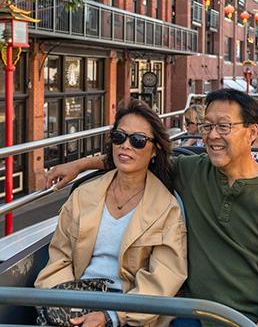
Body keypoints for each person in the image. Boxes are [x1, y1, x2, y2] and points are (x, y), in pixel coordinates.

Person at [46, 89, 258, 327]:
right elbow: (134, 155)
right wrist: (79, 166)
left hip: (251, 318)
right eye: (207, 126)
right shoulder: (191, 171)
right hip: (195, 313)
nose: (212, 135)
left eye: (224, 126)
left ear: (252, 131)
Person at [36, 99, 187, 327]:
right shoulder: (83, 196)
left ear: (155, 150)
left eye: (138, 141)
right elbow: (59, 258)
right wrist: (66, 305)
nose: (126, 146)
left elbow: (163, 278)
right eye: (119, 137)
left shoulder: (167, 209)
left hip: (129, 308)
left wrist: (111, 316)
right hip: (75, 296)